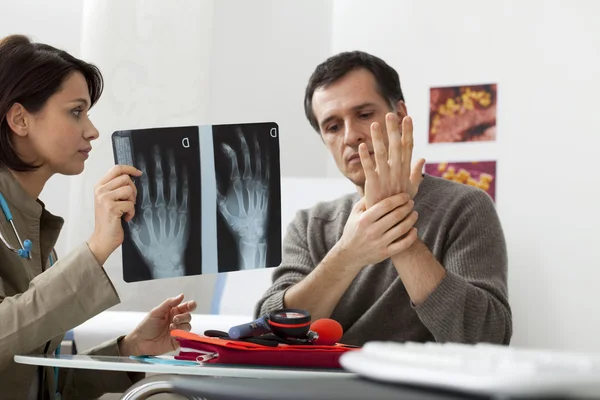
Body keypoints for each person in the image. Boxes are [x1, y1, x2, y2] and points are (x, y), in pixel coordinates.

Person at [255, 51, 512, 346]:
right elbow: (267, 332)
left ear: (401, 116)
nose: (350, 137)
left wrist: (395, 226)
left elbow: (487, 337)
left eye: (364, 115)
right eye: (333, 127)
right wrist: (349, 252)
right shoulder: (310, 224)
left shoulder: (465, 207)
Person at [0, 35, 197, 399]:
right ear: (19, 119)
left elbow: (48, 385)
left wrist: (131, 348)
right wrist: (96, 248)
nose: (92, 130)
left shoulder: (36, 231)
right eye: (76, 111)